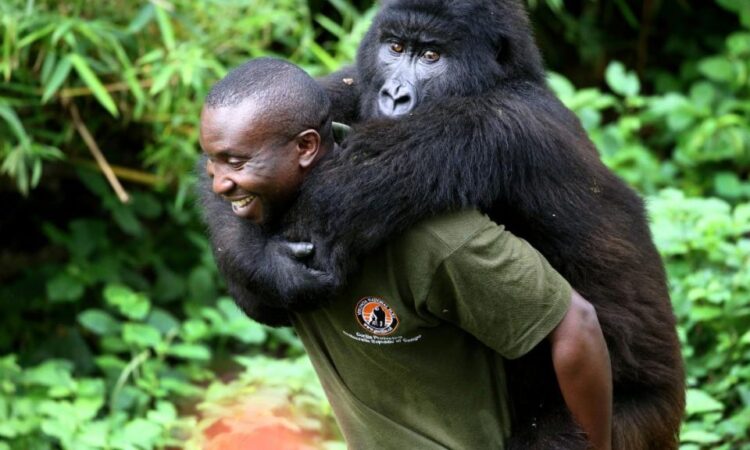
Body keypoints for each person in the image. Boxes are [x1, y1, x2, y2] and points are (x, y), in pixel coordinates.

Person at [199, 57, 613, 450]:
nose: (219, 184)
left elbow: (576, 325)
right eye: (212, 163)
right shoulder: (267, 217)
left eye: (236, 162)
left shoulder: (437, 239)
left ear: (306, 148)